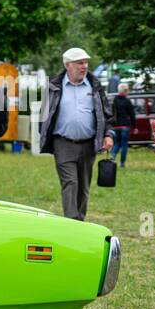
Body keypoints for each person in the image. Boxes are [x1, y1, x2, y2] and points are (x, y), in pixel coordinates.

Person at [39, 47, 113, 221]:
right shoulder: (53, 87)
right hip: (63, 144)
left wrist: (108, 135)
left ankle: (80, 220)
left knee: (84, 186)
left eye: (86, 62)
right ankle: (71, 221)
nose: (84, 66)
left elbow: (108, 114)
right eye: (80, 63)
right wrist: (45, 136)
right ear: (68, 65)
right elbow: (42, 116)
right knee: (70, 182)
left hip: (89, 144)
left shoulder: (95, 87)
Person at [110, 82, 134, 167]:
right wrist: (134, 126)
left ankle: (112, 156)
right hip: (125, 125)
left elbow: (111, 113)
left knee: (116, 143)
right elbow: (132, 114)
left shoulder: (114, 100)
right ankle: (122, 163)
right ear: (126, 91)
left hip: (116, 125)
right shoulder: (127, 101)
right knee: (124, 144)